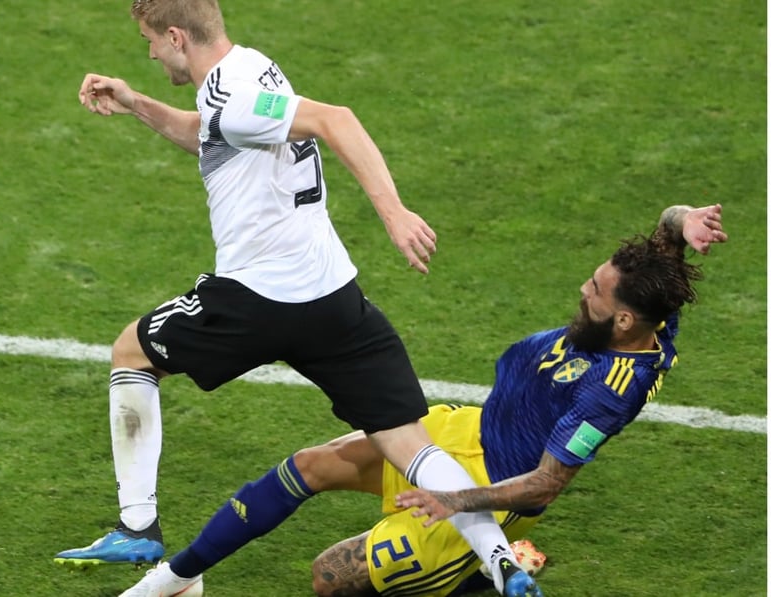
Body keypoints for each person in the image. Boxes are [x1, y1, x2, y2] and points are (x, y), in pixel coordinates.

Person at [53, 1, 540, 595]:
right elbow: (208, 134)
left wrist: (393, 212)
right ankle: (501, 565)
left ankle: (137, 527)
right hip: (333, 296)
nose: (150, 53)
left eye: (151, 41)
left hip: (259, 296)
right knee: (407, 440)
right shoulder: (251, 70)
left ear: (176, 36)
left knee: (131, 352)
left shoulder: (232, 98)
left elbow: (337, 119)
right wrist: (135, 103)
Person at [116, 203, 727, 596]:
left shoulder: (611, 392)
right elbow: (665, 239)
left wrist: (453, 499)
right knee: (311, 465)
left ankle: (479, 572)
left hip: (492, 483)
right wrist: (683, 222)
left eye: (594, 291)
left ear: (623, 322)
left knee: (329, 578)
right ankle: (179, 579)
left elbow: (544, 485)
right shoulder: (650, 313)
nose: (582, 290)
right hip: (463, 431)